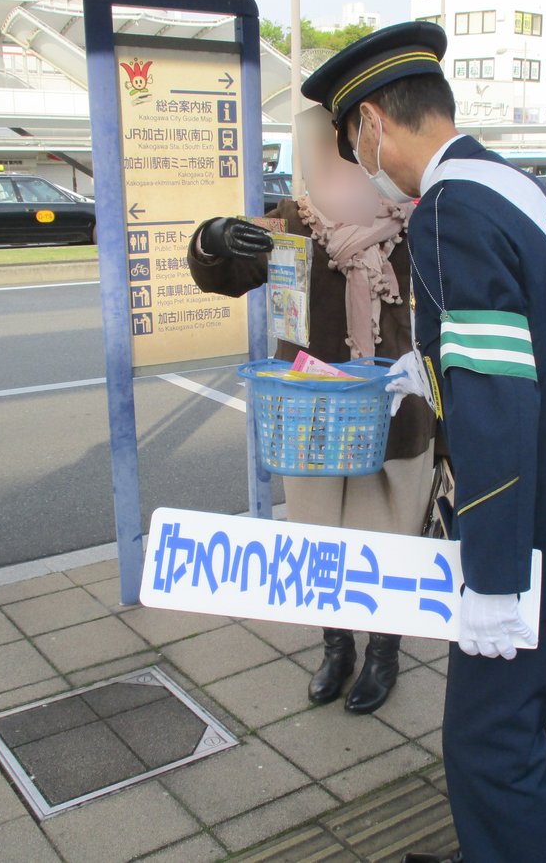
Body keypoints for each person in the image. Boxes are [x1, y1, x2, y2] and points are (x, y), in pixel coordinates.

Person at [302, 22, 546, 863]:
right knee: (510, 727)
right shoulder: (504, 184)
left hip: (529, 528)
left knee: (490, 746)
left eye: (353, 138)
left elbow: (496, 404)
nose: (357, 157)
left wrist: (492, 576)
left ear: (375, 121)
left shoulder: (449, 214)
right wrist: (427, 375)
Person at [185, 107, 436, 715]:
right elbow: (228, 271)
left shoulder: (424, 218)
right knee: (320, 540)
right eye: (319, 153)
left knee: (391, 537)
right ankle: (336, 646)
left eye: (345, 151)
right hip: (310, 418)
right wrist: (213, 239)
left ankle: (383, 651)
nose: (336, 166)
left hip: (398, 414)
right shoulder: (294, 221)